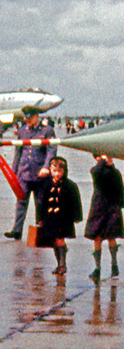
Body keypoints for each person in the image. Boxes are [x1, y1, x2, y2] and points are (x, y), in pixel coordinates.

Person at [5, 107, 57, 240]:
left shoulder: (47, 131)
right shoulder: (22, 131)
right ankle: (17, 230)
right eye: (25, 118)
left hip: (40, 174)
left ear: (36, 117)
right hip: (24, 173)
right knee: (21, 201)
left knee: (40, 203)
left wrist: (47, 167)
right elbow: (18, 152)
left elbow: (51, 151)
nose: (26, 120)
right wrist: (14, 172)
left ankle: (40, 230)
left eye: (29, 118)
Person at [36, 157, 82, 276]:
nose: (57, 174)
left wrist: (77, 217)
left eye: (59, 171)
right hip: (50, 218)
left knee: (60, 239)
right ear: (50, 170)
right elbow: (41, 203)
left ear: (64, 171)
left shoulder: (70, 186)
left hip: (64, 219)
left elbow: (76, 202)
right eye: (54, 171)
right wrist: (40, 218)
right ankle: (59, 263)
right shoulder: (46, 184)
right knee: (54, 241)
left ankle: (62, 265)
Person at [84, 153, 124, 283]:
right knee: (97, 237)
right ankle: (97, 267)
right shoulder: (97, 171)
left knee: (111, 237)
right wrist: (102, 161)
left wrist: (122, 202)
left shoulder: (115, 172)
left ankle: (114, 263)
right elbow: (96, 172)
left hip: (112, 207)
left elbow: (121, 188)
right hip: (99, 207)